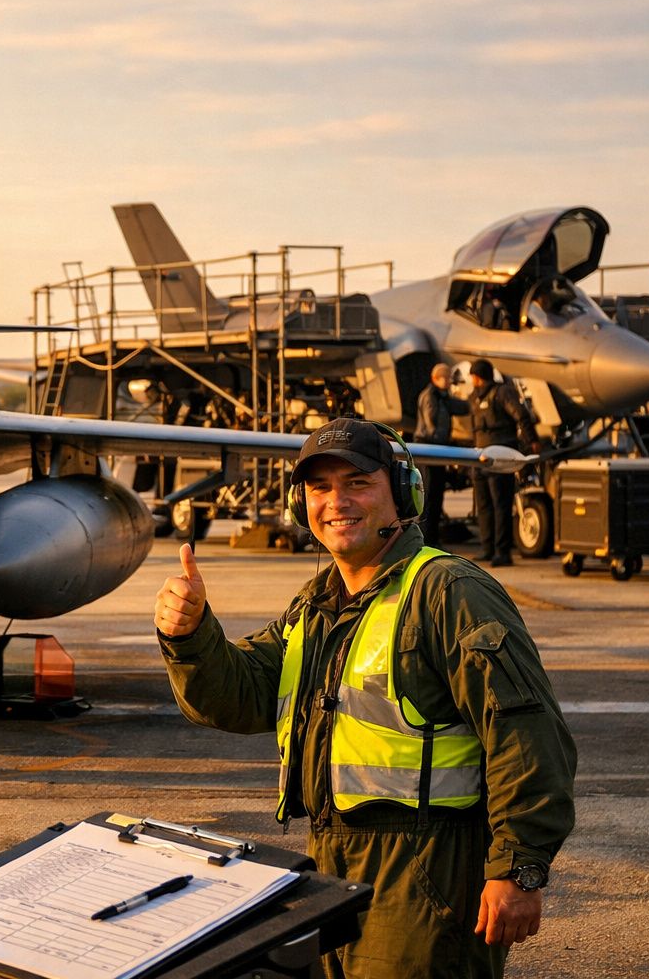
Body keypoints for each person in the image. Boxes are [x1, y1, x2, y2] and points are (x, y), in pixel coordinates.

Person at [153, 417, 575, 979]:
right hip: (328, 870)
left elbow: (526, 735)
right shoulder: (317, 603)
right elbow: (242, 693)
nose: (336, 502)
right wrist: (191, 634)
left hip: (426, 876)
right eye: (320, 488)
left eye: (357, 483)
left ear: (402, 494)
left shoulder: (449, 592)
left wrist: (517, 870)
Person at [468, 359, 540, 567]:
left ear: (481, 376)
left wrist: (532, 440)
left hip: (500, 456)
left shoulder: (502, 393)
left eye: (474, 376)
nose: (472, 380)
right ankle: (487, 547)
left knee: (501, 505)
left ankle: (502, 551)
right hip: (480, 456)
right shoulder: (474, 397)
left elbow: (521, 416)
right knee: (484, 505)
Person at [413, 363, 468, 546]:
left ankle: (432, 539)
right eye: (446, 378)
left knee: (436, 495)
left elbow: (460, 407)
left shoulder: (442, 397)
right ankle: (425, 540)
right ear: (436, 378)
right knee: (429, 496)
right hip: (429, 450)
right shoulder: (431, 397)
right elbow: (432, 425)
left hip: (437, 450)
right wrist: (444, 445)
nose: (449, 381)